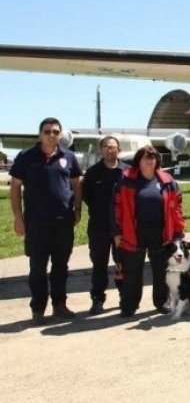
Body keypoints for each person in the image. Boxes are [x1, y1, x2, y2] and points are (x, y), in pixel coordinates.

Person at [9, 117, 83, 325]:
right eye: (48, 131)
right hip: (36, 223)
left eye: (56, 132)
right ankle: (38, 309)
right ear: (40, 134)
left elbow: (77, 184)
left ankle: (59, 305)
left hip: (63, 222)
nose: (52, 135)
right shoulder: (26, 157)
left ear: (60, 135)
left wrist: (78, 209)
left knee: (61, 266)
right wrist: (18, 217)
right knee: (38, 267)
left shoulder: (68, 157)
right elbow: (15, 187)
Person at [112, 145, 184, 317]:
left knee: (162, 270)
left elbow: (177, 207)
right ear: (139, 161)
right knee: (132, 271)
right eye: (146, 157)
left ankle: (161, 301)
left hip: (161, 232)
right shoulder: (126, 179)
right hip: (133, 231)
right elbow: (116, 207)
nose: (150, 160)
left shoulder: (167, 180)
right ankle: (129, 304)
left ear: (157, 160)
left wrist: (178, 230)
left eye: (153, 157)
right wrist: (116, 232)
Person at [82, 136, 129, 314]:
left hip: (122, 228)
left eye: (113, 147)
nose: (110, 150)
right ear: (101, 149)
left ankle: (125, 296)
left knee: (122, 263)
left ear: (119, 150)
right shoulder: (93, 172)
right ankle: (97, 299)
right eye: (106, 147)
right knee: (99, 264)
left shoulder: (127, 172)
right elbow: (87, 196)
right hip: (99, 227)